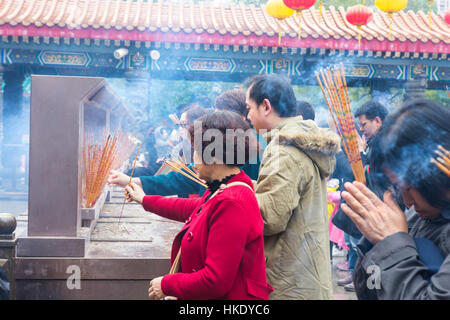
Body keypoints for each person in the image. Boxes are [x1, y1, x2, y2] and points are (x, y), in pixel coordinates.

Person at [124, 111, 273, 300]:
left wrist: (167, 284)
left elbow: (215, 280)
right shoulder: (227, 186)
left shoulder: (232, 202)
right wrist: (143, 199)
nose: (192, 158)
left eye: (195, 150)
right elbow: (193, 208)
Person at [341, 98, 450, 300]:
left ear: (436, 175)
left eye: (409, 187)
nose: (407, 201)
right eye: (398, 188)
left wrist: (392, 244)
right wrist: (375, 241)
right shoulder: (415, 216)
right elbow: (369, 291)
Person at [244, 74, 341, 300]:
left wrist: (234, 193)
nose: (248, 116)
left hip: (290, 277)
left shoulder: (284, 150)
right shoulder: (297, 141)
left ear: (265, 106)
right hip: (304, 270)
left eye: (249, 108)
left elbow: (270, 217)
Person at [108, 91, 260, 197]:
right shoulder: (222, 146)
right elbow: (183, 178)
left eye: (184, 124)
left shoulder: (250, 151)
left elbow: (205, 202)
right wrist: (132, 182)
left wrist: (144, 197)